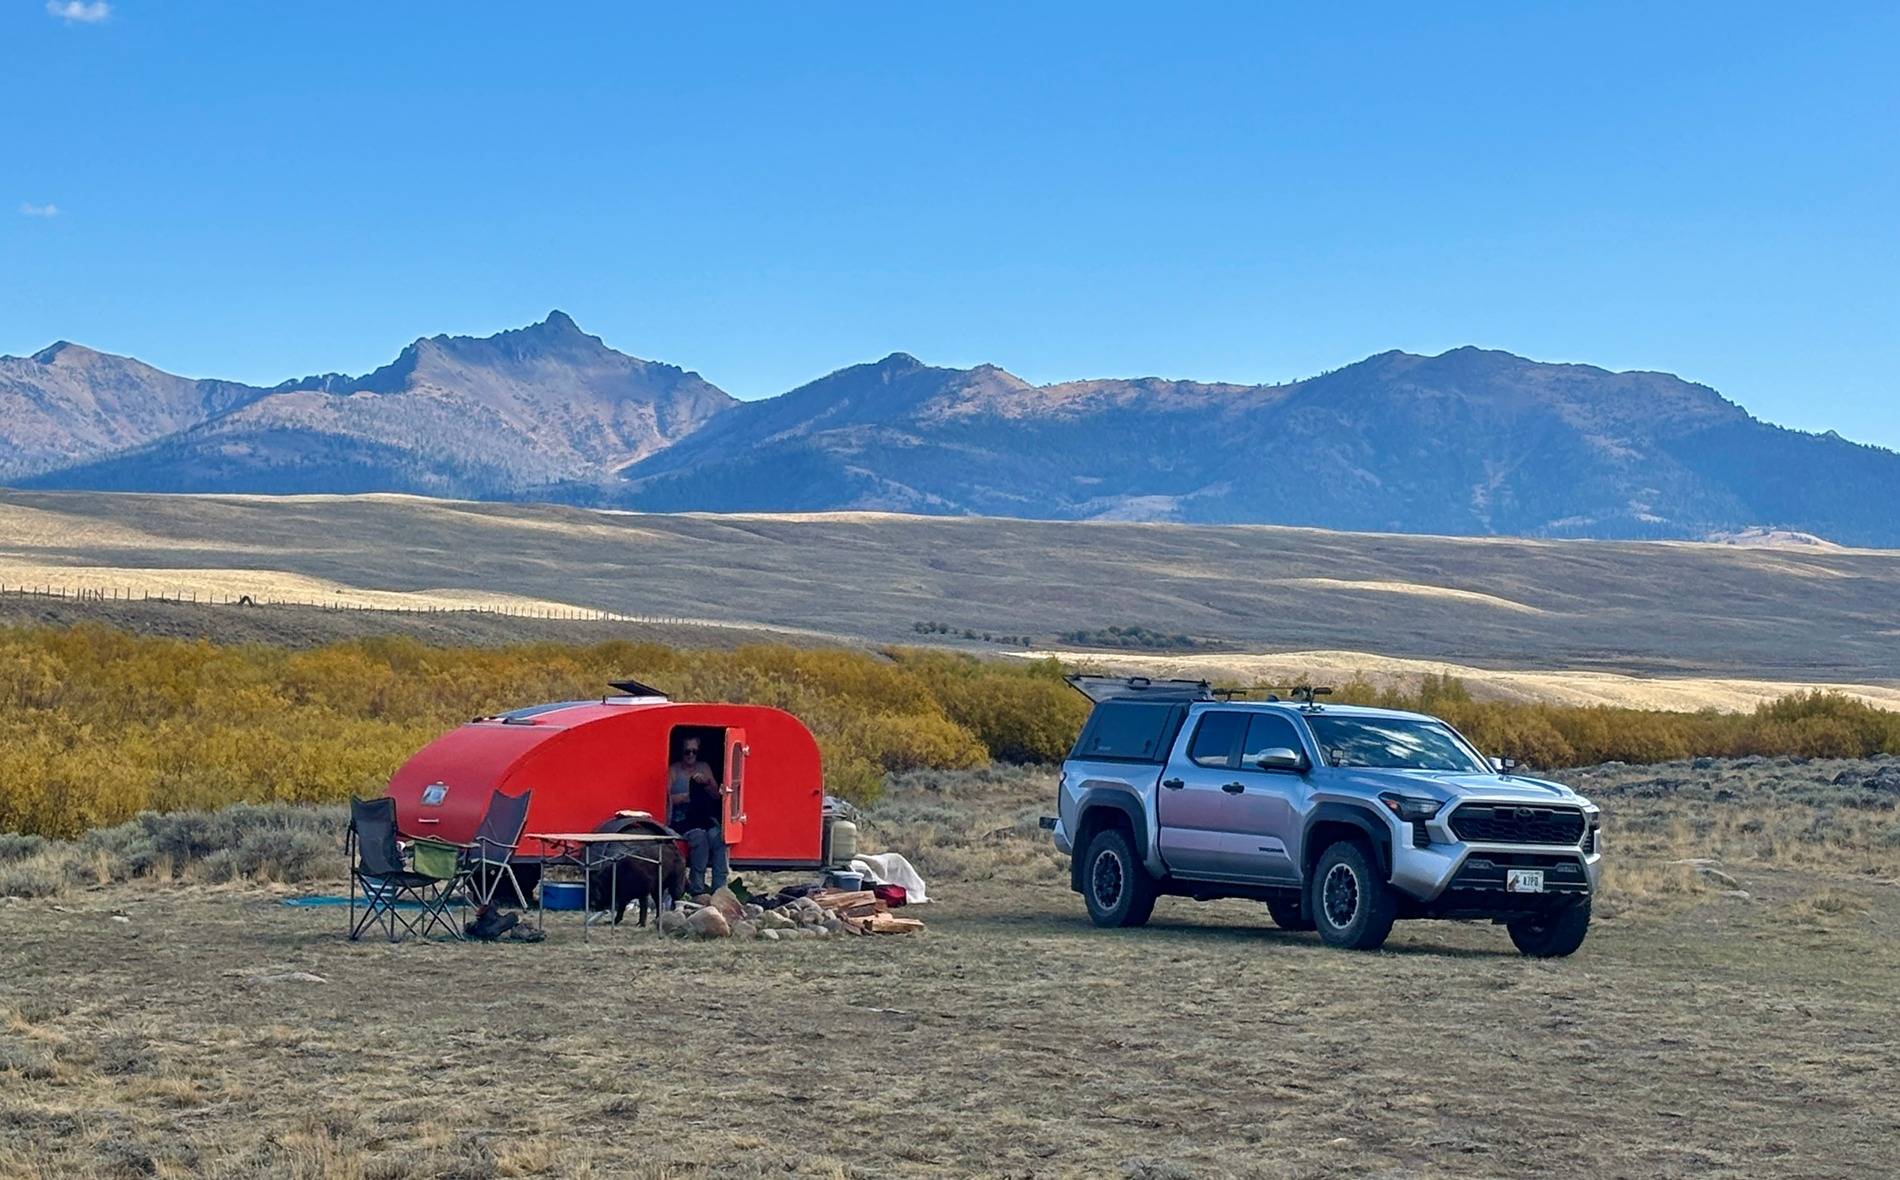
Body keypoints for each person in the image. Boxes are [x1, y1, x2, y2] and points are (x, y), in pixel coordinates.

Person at [668, 737, 728, 895]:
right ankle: (697, 890)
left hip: (704, 818)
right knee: (700, 838)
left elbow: (717, 795)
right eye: (687, 751)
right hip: (682, 820)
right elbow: (666, 799)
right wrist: (687, 796)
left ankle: (720, 890)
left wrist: (707, 783)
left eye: (694, 751)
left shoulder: (704, 767)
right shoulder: (674, 770)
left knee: (720, 838)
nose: (690, 755)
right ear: (681, 752)